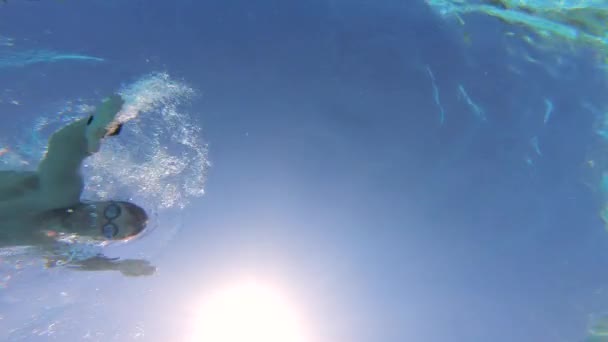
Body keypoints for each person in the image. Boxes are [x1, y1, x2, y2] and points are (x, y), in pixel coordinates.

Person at [0, 94, 155, 276]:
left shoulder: (43, 241)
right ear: (104, 202)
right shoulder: (59, 194)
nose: (101, 220)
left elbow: (80, 261)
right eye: (112, 211)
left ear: (99, 238)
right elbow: (64, 145)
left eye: (109, 230)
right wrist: (100, 126)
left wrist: (118, 267)